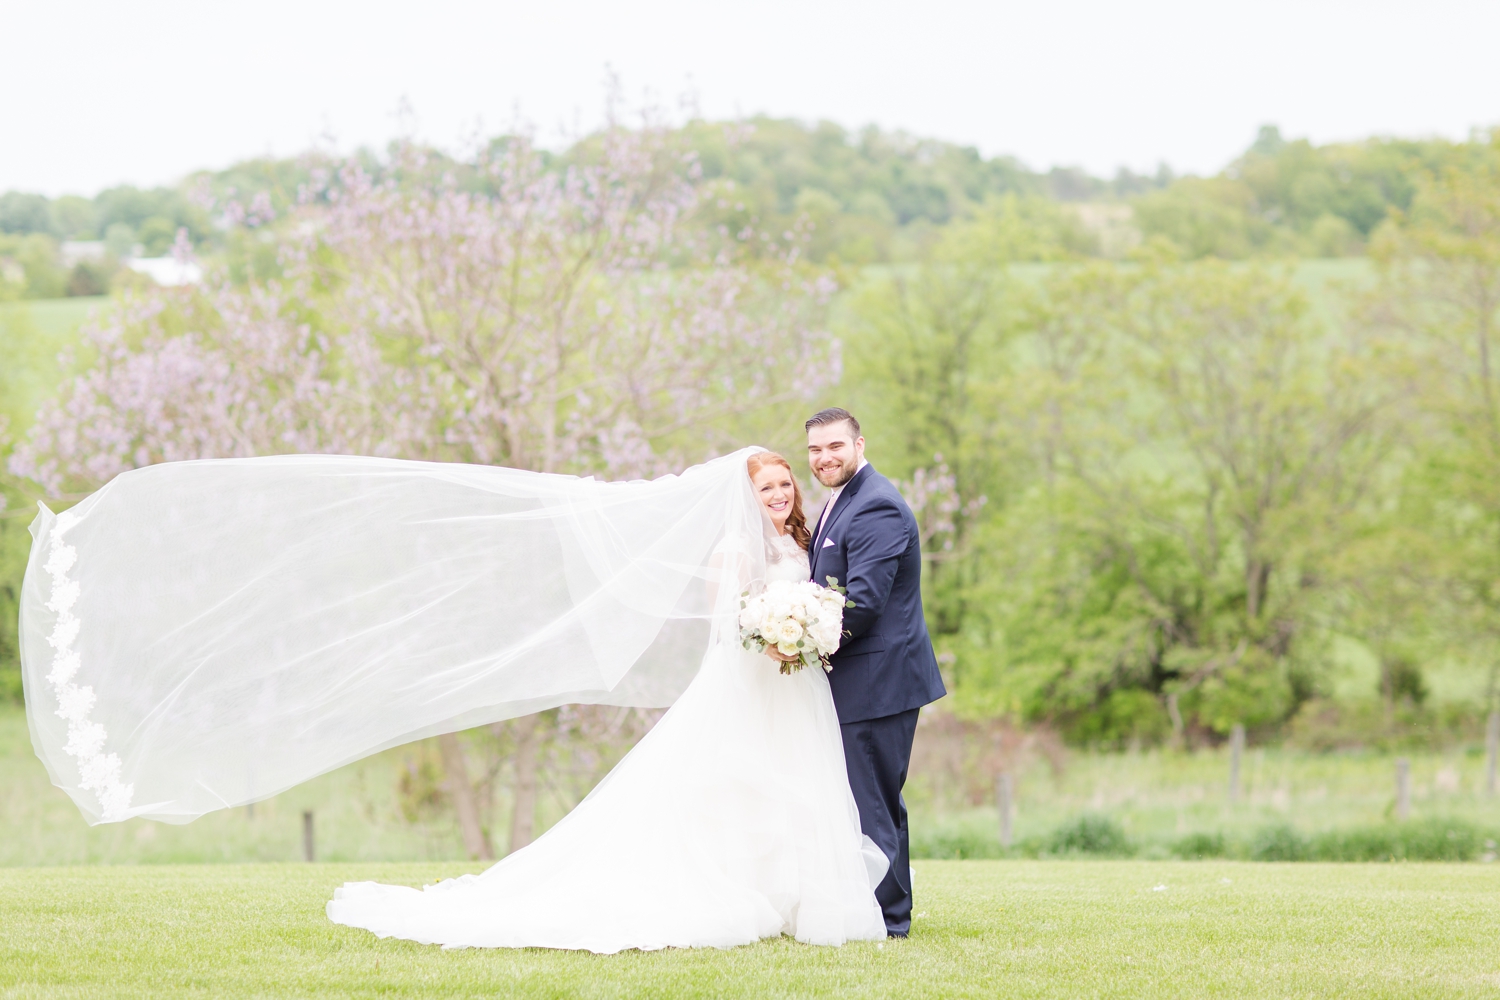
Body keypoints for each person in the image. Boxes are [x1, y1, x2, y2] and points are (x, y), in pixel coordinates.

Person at [804, 408, 947, 937]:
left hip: (877, 681)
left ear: (859, 444)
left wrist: (799, 642)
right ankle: (872, 909)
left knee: (874, 803)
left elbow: (861, 604)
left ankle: (889, 920)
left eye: (835, 447)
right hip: (859, 680)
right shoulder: (842, 502)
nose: (825, 458)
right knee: (863, 800)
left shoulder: (878, 505)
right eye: (816, 450)